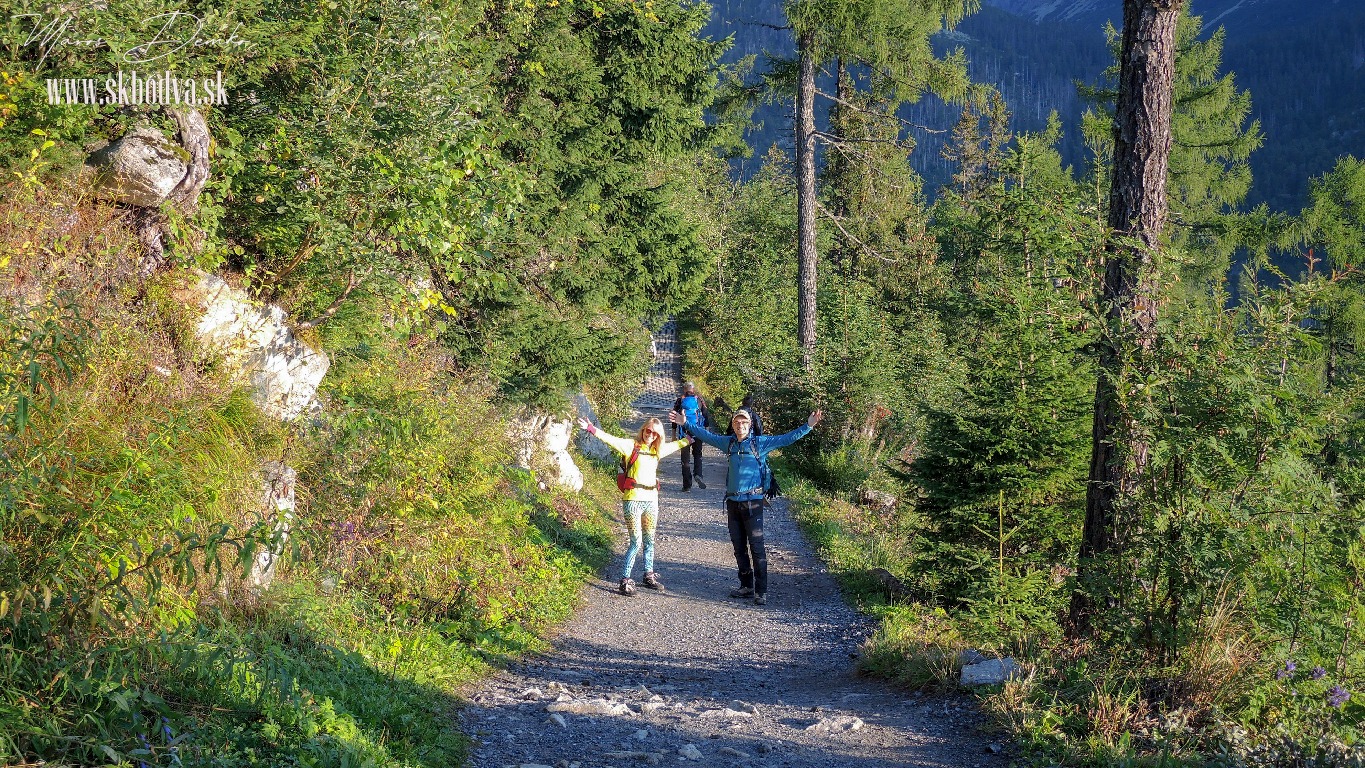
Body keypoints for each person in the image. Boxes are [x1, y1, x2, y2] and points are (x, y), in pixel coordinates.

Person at [669, 406, 823, 606]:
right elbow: (705, 435)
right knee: (739, 547)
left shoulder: (760, 443)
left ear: (750, 425)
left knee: (757, 548)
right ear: (732, 425)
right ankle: (746, 586)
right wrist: (685, 423)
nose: (740, 425)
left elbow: (787, 438)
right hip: (733, 502)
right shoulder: (729, 444)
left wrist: (808, 426)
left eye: (743, 422)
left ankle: (761, 591)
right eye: (736, 422)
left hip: (753, 502)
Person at [577, 415, 691, 596]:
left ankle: (648, 575)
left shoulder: (657, 450)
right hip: (633, 500)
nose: (651, 435)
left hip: (651, 501)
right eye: (648, 431)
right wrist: (591, 429)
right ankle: (625, 579)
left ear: (659, 436)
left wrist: (690, 437)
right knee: (636, 541)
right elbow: (611, 439)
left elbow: (675, 445)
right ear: (643, 430)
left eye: (655, 433)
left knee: (649, 540)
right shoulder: (631, 446)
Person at [671, 382, 710, 492]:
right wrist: (707, 432)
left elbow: (675, 417)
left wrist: (673, 433)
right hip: (698, 432)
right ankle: (698, 474)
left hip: (684, 433)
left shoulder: (680, 400)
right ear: (693, 389)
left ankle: (687, 485)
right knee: (697, 455)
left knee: (685, 459)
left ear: (684, 389)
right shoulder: (699, 400)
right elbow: (706, 415)